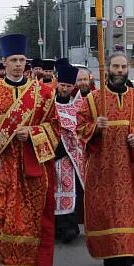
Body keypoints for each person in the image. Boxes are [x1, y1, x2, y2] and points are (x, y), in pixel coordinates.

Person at [0, 33, 60, 266]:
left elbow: (54, 127)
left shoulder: (43, 93)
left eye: (22, 60)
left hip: (31, 166)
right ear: (4, 62)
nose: (19, 64)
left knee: (28, 219)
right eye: (13, 60)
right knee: (3, 216)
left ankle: (22, 265)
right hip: (3, 166)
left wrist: (33, 133)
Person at [76, 53, 134, 266]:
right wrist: (95, 128)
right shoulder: (94, 99)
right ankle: (110, 256)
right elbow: (80, 127)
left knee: (126, 213)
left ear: (128, 69)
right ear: (107, 69)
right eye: (115, 66)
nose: (119, 70)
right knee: (106, 213)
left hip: (129, 168)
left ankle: (124, 256)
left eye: (123, 66)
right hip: (102, 168)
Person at [53, 63, 85, 243]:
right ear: (57, 84)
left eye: (68, 86)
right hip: (49, 156)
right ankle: (52, 227)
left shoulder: (78, 107)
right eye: (62, 85)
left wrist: (67, 147)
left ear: (73, 87)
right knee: (50, 192)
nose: (64, 89)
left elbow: (79, 133)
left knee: (69, 190)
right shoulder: (48, 103)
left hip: (68, 158)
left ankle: (68, 228)